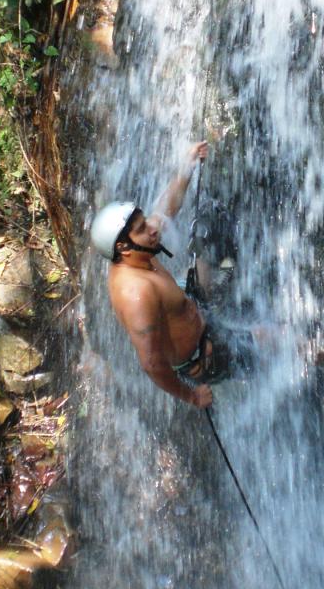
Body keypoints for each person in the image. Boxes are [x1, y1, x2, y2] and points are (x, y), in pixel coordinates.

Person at [90, 141, 255, 410]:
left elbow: (164, 211)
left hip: (187, 303)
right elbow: (152, 363)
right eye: (142, 229)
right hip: (206, 353)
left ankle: (212, 287)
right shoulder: (137, 294)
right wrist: (191, 396)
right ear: (123, 246)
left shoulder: (136, 250)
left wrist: (186, 168)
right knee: (281, 343)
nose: (152, 230)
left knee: (208, 219)